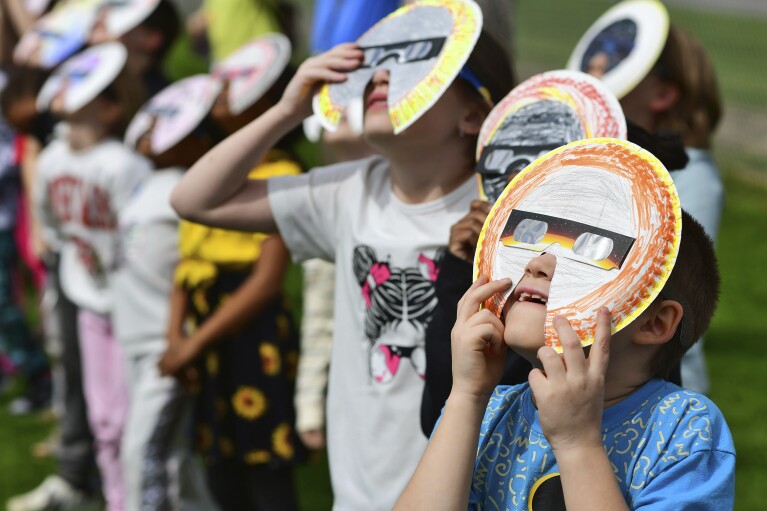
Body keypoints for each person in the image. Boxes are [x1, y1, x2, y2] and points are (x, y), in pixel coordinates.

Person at [169, 8, 517, 504]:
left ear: (474, 114)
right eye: (379, 63)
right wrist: (288, 110)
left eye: (417, 62)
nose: (382, 75)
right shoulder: (349, 191)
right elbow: (195, 199)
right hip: (357, 491)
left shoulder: (504, 211)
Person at [395, 207, 735, 510]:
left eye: (590, 252)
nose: (537, 263)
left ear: (653, 322)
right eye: (533, 239)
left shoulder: (686, 428)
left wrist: (578, 444)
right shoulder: (484, 413)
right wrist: (466, 396)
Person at [419, 120, 691, 436]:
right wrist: (460, 273)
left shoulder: (676, 428)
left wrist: (576, 443)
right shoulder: (498, 388)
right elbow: (436, 419)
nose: (540, 263)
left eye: (588, 243)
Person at [158, 62, 304, 511]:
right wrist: (176, 338)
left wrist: (192, 343)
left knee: (264, 467)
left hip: (251, 334)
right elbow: (188, 266)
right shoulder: (211, 170)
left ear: (264, 104)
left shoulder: (285, 174)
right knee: (219, 460)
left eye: (234, 91)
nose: (217, 99)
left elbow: (264, 284)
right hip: (206, 335)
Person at [33, 45, 151, 511]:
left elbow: (141, 238)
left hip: (131, 304)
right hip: (87, 297)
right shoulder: (51, 159)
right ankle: (118, 500)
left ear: (111, 106)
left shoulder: (123, 165)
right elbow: (53, 223)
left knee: (134, 416)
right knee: (103, 415)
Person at [114, 77, 221, 511]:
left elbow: (191, 267)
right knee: (174, 460)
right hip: (133, 342)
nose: (149, 132)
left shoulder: (188, 188)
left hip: (165, 347)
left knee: (142, 453)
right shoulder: (144, 183)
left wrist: (182, 340)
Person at [618, 26, 724, 394]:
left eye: (624, 61)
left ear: (663, 93)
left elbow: (678, 286)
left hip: (660, 379)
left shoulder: (692, 174)